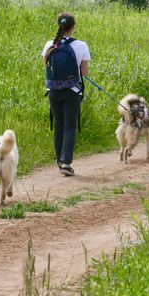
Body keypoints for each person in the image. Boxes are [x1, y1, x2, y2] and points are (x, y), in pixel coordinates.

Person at [42, 12, 90, 177]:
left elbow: (46, 66)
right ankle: (66, 163)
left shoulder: (50, 44)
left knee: (58, 126)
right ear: (73, 27)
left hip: (53, 91)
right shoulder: (81, 45)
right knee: (70, 126)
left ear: (59, 25)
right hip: (72, 92)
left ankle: (59, 161)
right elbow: (84, 72)